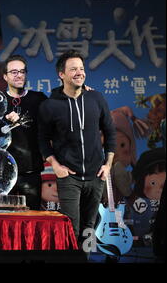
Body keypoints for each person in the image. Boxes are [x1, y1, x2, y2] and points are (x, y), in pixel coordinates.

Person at [38, 50, 116, 245]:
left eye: (81, 68)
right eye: (73, 69)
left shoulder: (96, 98)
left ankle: (85, 259)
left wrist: (108, 165)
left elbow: (110, 132)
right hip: (69, 177)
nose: (79, 72)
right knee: (70, 228)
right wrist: (55, 165)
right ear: (61, 74)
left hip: (96, 176)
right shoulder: (50, 105)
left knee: (89, 228)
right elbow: (42, 140)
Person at [2, 55, 47, 210]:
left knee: (32, 220)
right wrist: (3, 120)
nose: (19, 75)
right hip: (4, 172)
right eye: (14, 72)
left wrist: (83, 92)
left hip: (31, 170)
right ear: (5, 76)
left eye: (22, 71)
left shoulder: (39, 99)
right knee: (3, 222)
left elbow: (59, 112)